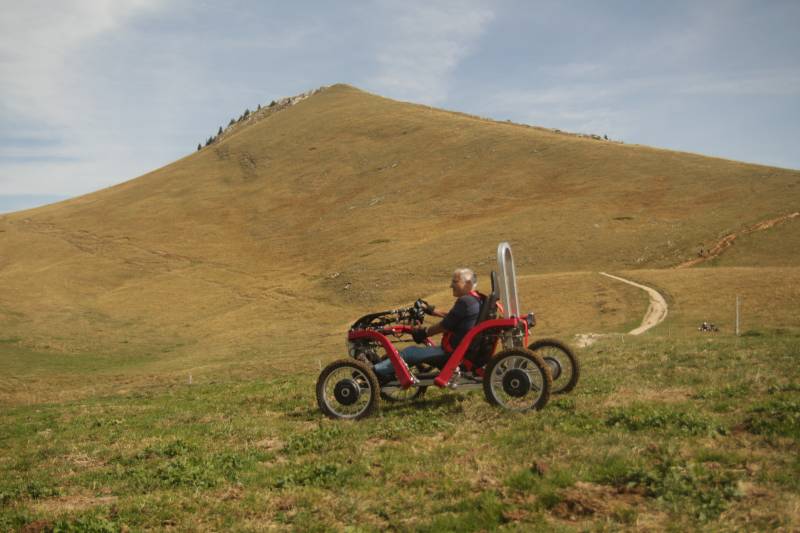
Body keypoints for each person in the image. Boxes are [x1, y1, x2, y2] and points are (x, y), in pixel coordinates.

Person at [373, 268, 482, 381]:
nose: (451, 285)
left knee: (409, 352)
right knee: (415, 352)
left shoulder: (465, 301)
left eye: (455, 282)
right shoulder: (475, 300)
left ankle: (374, 372)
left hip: (453, 353)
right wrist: (431, 310)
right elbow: (454, 317)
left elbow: (444, 326)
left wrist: (423, 333)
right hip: (463, 351)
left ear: (468, 283)